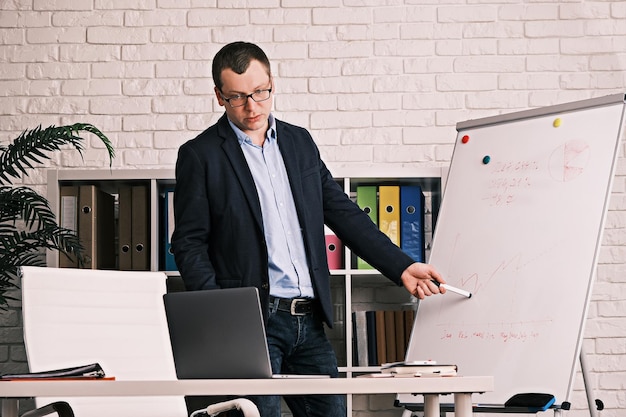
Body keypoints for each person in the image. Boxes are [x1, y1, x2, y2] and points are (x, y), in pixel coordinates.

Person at [171, 41, 446, 417]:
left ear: (272, 84)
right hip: (251, 323)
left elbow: (342, 213)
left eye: (259, 92)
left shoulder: (300, 142)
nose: (252, 107)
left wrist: (400, 266)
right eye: (237, 97)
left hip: (309, 321)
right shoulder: (200, 155)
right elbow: (188, 244)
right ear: (219, 96)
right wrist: (224, 314)